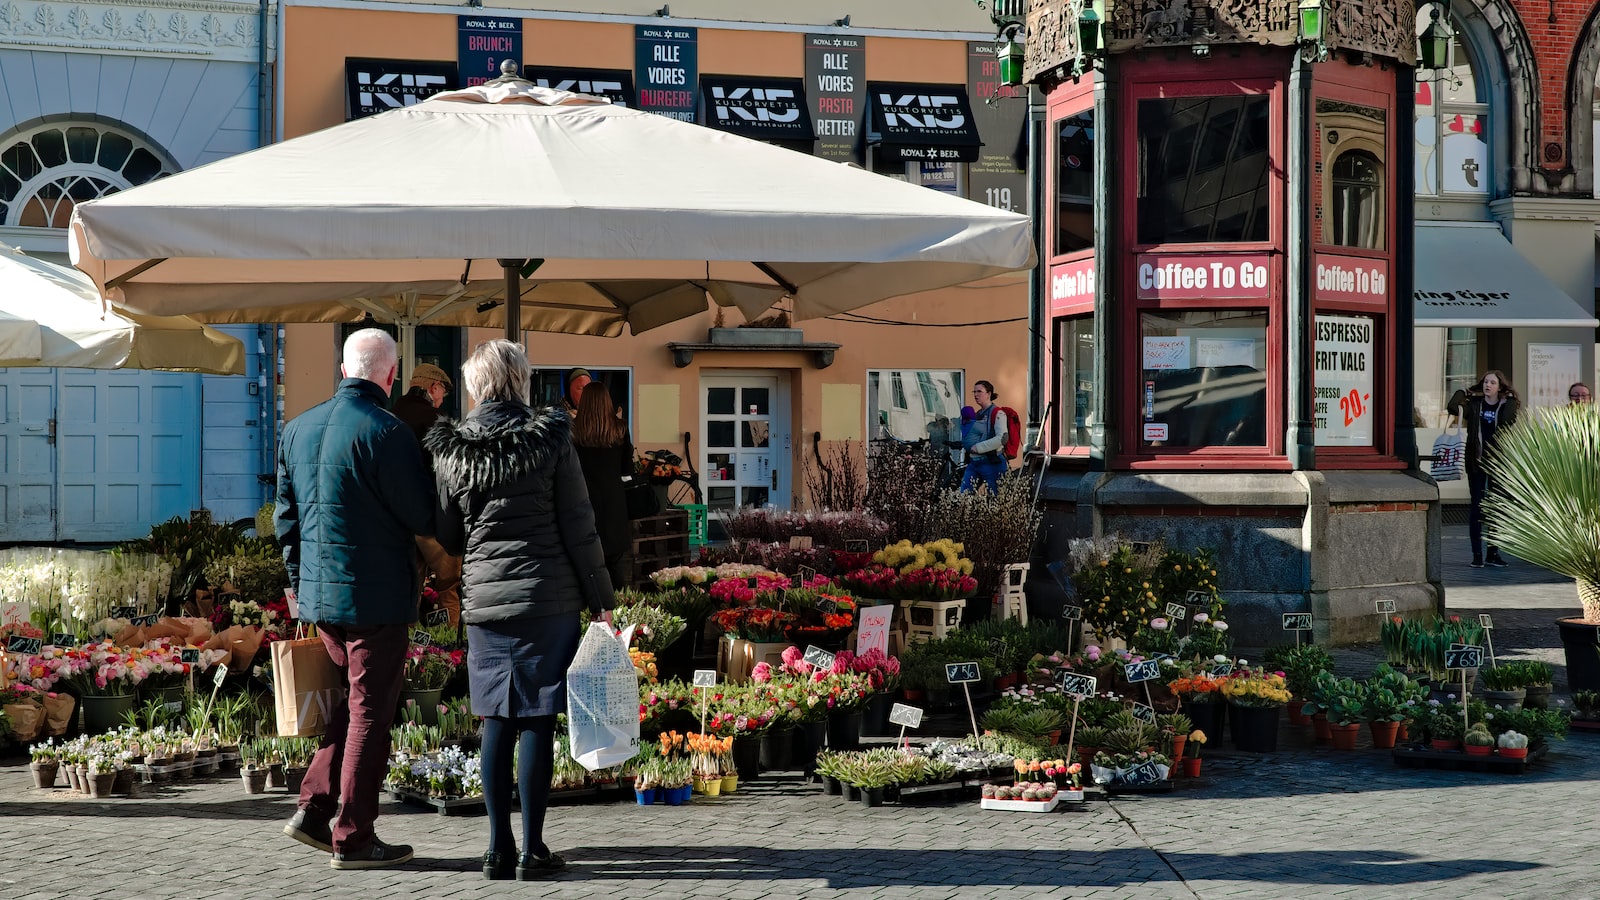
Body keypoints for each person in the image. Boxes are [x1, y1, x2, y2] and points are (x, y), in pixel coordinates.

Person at [425, 340, 616, 882]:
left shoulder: (451, 447)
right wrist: (602, 600)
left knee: (495, 718)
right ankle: (533, 849)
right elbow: (581, 525)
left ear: (475, 385)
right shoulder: (551, 438)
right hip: (547, 597)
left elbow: (445, 532)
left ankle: (496, 849)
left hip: (485, 601)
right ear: (519, 380)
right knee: (537, 716)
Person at [276, 328, 435, 870]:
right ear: (390, 377)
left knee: (351, 705)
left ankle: (315, 807)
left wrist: (298, 586)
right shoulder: (388, 432)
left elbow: (285, 522)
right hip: (375, 599)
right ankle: (353, 836)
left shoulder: (296, 429)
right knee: (370, 713)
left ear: (344, 370)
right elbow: (422, 516)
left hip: (321, 600)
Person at [391, 362, 462, 625]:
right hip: (434, 520)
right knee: (448, 588)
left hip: (398, 519)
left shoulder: (390, 416)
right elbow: (451, 473)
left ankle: (409, 654)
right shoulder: (435, 421)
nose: (442, 399)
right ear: (433, 388)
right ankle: (450, 651)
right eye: (442, 391)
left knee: (410, 589)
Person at [1447, 370, 1520, 569]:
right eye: (1486, 382)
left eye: (1493, 383)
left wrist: (1509, 398)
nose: (1488, 385)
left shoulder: (1507, 406)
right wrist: (1465, 391)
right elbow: (1453, 407)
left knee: (1495, 508)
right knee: (1477, 507)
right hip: (1476, 461)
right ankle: (1477, 554)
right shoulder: (1474, 405)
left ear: (1500, 386)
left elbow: (1506, 420)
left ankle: (1493, 553)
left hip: (1497, 462)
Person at [571, 381, 635, 591]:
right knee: (615, 566)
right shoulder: (620, 429)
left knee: (584, 566)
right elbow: (627, 470)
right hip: (613, 504)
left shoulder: (573, 431)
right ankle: (620, 611)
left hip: (582, 503)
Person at [960, 381, 1009, 494]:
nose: (976, 394)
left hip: (992, 462)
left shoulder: (998, 413)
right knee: (963, 496)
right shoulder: (978, 414)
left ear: (988, 394)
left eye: (979, 391)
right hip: (975, 462)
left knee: (997, 498)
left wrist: (978, 447)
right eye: (974, 391)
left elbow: (1002, 438)